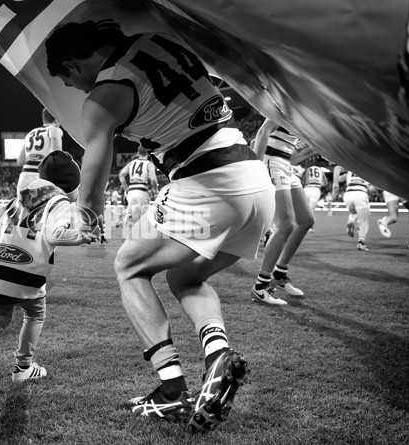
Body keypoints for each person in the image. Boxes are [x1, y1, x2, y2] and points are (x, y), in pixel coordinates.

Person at [45, 20, 274, 432]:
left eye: (70, 82)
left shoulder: (103, 94)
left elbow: (92, 194)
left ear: (73, 65)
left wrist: (81, 221)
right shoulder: (159, 41)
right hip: (257, 184)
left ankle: (171, 389)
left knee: (129, 266)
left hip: (207, 183)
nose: (77, 90)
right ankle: (217, 354)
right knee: (185, 278)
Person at [0, 151, 97, 388]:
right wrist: (81, 236)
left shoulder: (19, 198)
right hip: (27, 271)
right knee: (35, 314)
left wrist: (4, 249)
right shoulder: (59, 201)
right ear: (71, 182)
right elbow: (55, 234)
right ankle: (23, 367)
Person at [250, 120, 315, 305]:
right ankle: (261, 287)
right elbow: (263, 131)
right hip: (271, 163)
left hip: (286, 165)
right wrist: (256, 169)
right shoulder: (283, 101)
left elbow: (292, 156)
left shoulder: (302, 112)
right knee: (285, 225)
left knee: (306, 220)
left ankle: (279, 274)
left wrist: (305, 156)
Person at [16, 108, 63, 196]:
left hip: (24, 177)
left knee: (23, 209)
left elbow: (20, 161)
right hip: (41, 176)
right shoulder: (54, 130)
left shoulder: (30, 133)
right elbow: (56, 153)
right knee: (46, 208)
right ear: (56, 120)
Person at [119, 145, 159, 231]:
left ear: (138, 152)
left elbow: (121, 175)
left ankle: (134, 236)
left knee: (135, 220)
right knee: (145, 218)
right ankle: (144, 238)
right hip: (141, 190)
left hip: (131, 191)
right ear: (148, 152)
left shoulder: (131, 163)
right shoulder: (149, 164)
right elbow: (153, 179)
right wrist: (155, 190)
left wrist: (126, 188)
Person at [332, 166, 371, 251]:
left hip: (348, 195)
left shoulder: (350, 169)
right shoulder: (368, 169)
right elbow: (373, 187)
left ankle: (351, 220)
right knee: (364, 220)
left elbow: (338, 173)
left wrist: (335, 183)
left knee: (355, 213)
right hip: (360, 193)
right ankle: (361, 242)